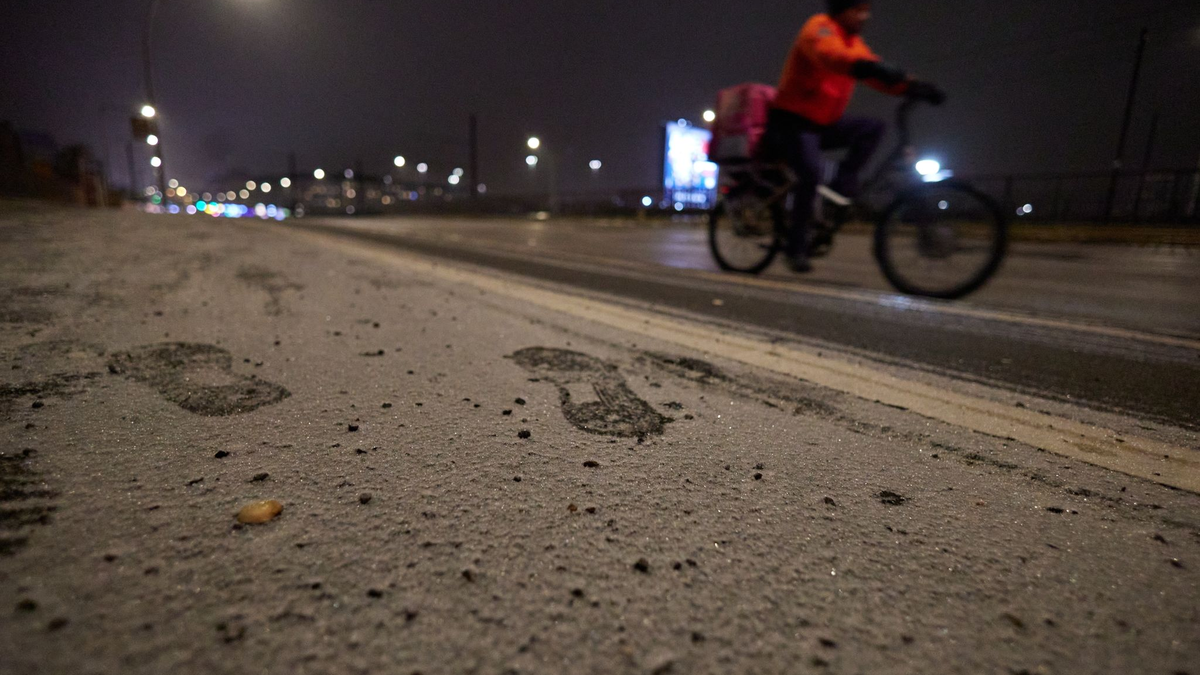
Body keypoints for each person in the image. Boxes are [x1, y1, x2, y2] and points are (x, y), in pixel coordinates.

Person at [765, 0, 945, 273]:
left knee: (873, 128)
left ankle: (841, 185)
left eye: (867, 9)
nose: (865, 15)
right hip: (793, 121)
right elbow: (830, 55)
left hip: (823, 123)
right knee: (810, 175)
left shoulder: (854, 43)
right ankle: (795, 246)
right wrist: (870, 67)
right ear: (841, 9)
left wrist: (914, 86)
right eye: (858, 9)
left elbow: (874, 71)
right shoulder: (819, 28)